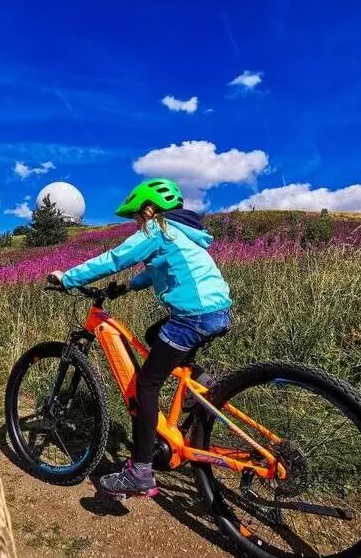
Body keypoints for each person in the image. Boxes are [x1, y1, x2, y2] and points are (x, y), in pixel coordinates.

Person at [48, 178, 232, 498]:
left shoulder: (157, 229)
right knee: (153, 335)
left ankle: (140, 472)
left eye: (137, 216)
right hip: (216, 313)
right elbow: (156, 269)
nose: (136, 222)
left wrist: (69, 277)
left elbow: (115, 258)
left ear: (149, 209)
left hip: (191, 317)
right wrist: (127, 287)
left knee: (145, 384)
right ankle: (200, 386)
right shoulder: (182, 233)